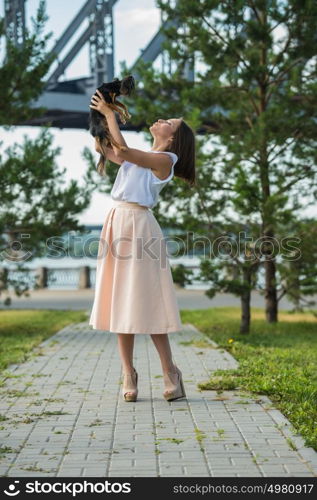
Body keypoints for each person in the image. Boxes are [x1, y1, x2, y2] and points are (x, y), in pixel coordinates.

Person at [88, 89, 196, 403]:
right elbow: (108, 147)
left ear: (173, 138)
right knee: (121, 300)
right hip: (117, 223)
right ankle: (128, 373)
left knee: (147, 301)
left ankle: (170, 372)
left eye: (169, 122)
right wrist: (100, 113)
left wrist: (111, 116)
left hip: (140, 227)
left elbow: (124, 150)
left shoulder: (165, 160)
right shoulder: (140, 155)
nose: (161, 120)